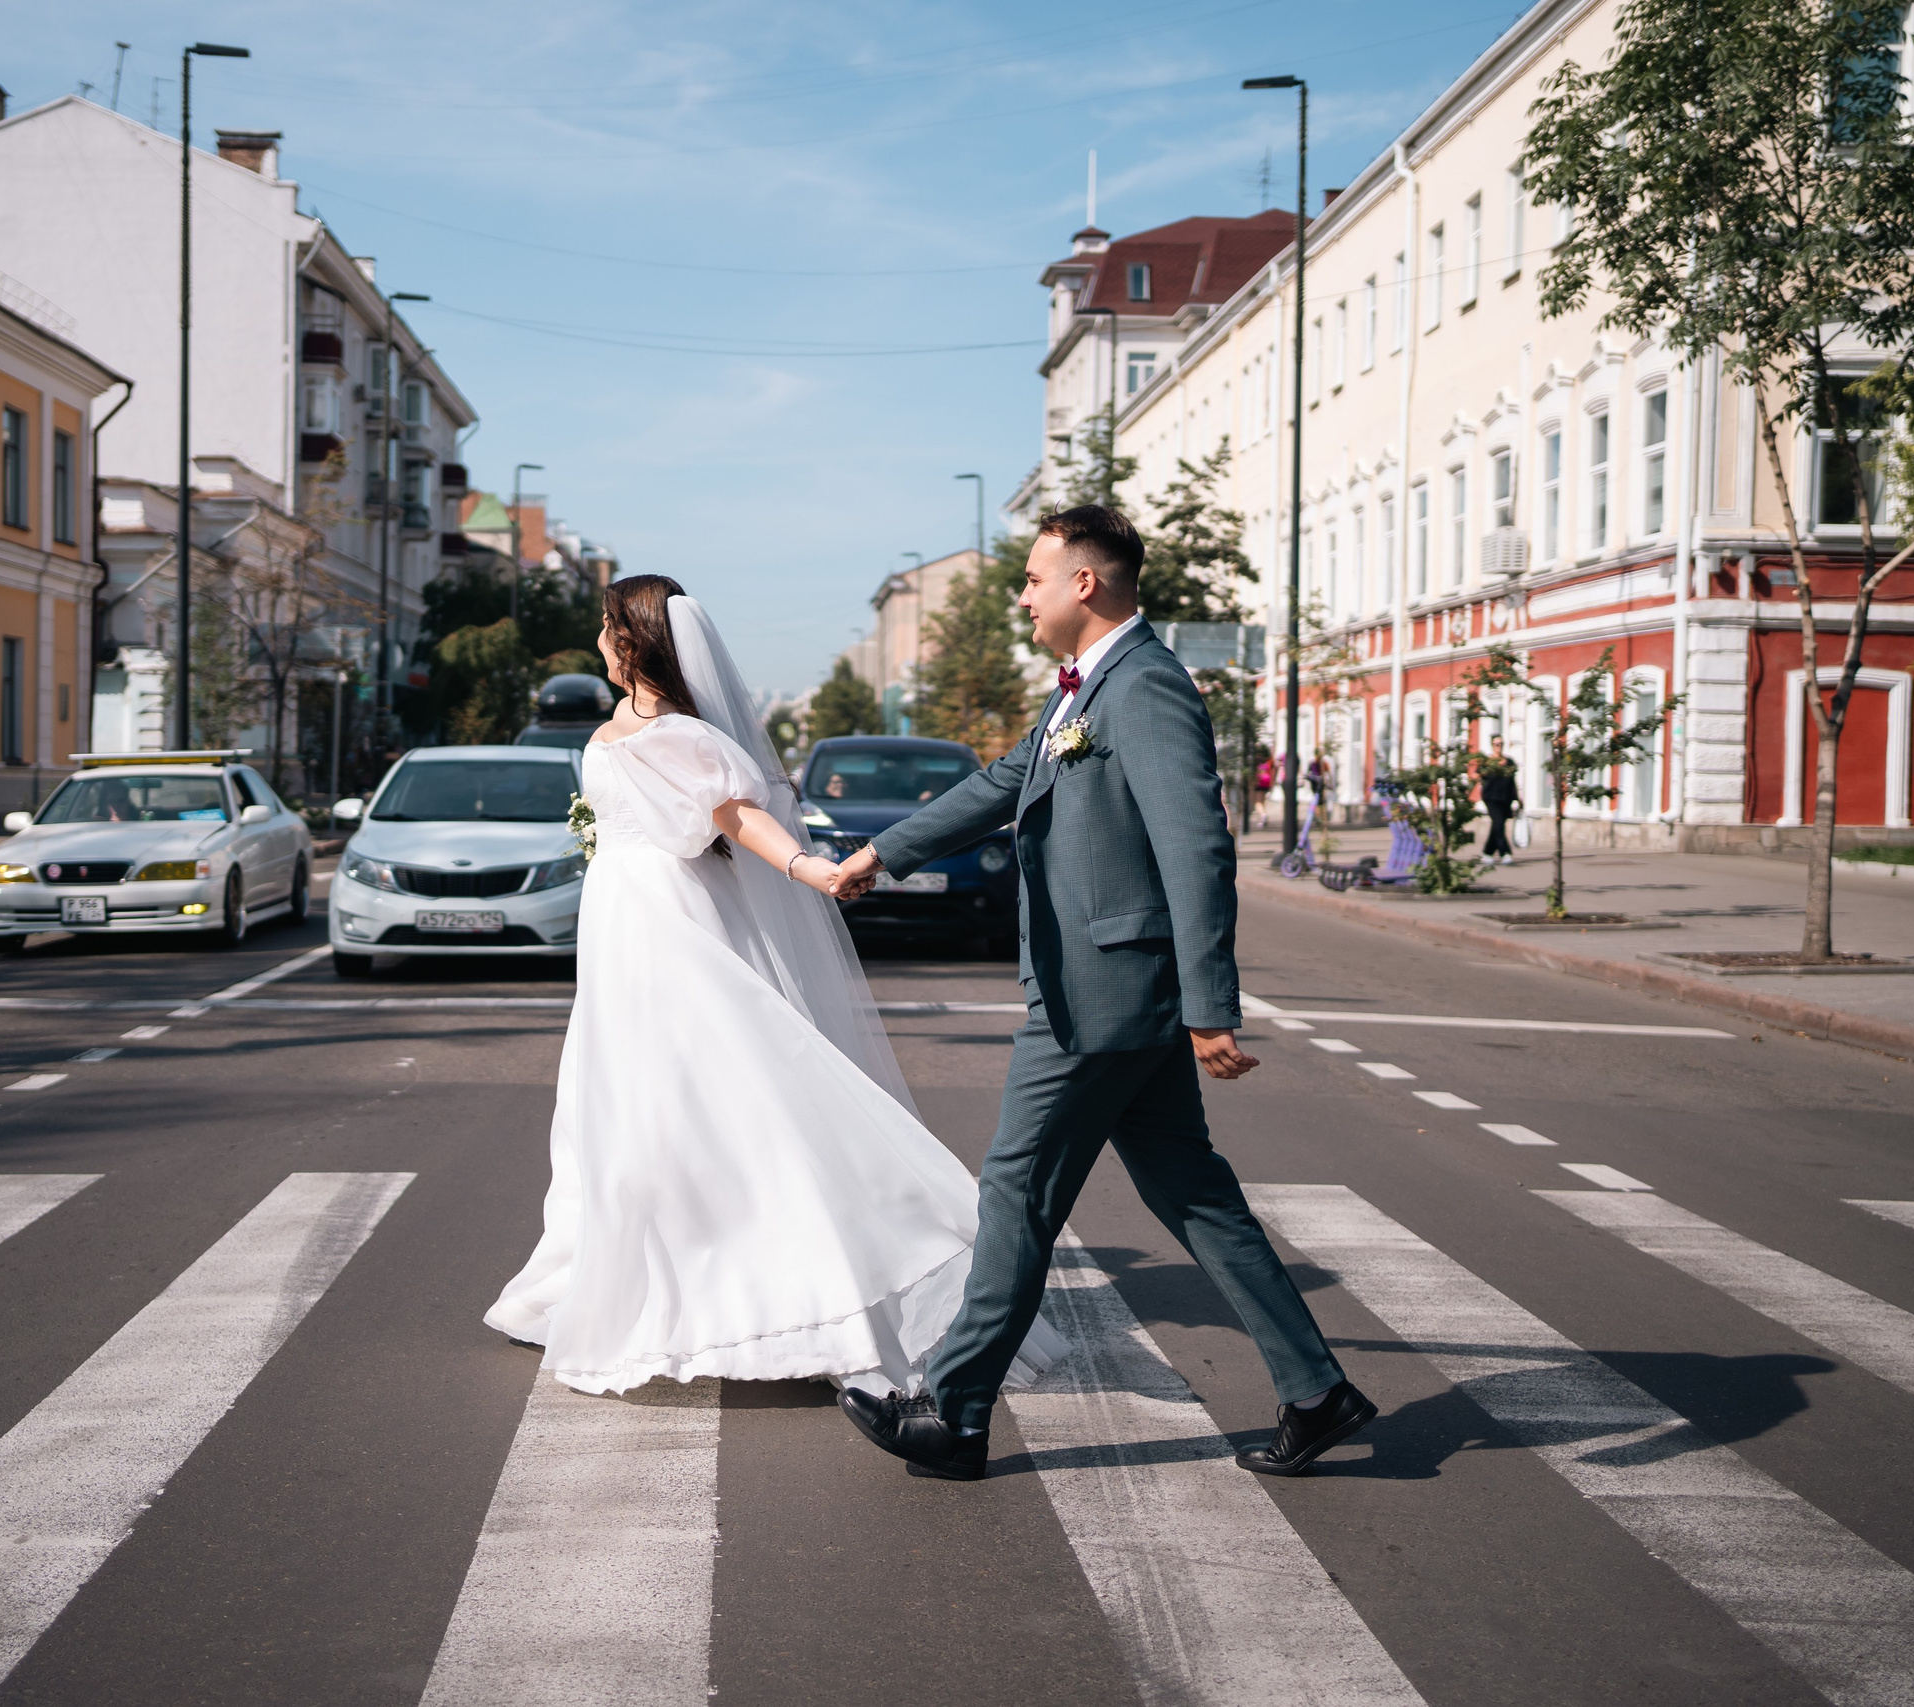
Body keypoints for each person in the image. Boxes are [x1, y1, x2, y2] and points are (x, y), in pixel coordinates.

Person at [833, 505, 1368, 1482]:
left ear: (1084, 583)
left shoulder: (1146, 686)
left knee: (1016, 1191)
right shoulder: (1086, 688)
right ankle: (1317, 1389)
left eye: (1032, 579)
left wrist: (1209, 1006)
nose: (1021, 597)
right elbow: (1002, 783)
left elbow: (1196, 849)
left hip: (1104, 996)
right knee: (1192, 1194)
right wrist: (882, 853)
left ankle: (953, 1410)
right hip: (1114, 991)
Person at [484, 575, 1065, 1402]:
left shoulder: (681, 733)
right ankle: (585, 1279)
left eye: (606, 628)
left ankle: (795, 1284)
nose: (599, 641)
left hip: (667, 930)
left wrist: (808, 867)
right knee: (611, 1105)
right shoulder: (619, 723)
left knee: (702, 1100)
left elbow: (734, 813)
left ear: (634, 639)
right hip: (619, 929)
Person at [1478, 735, 1519, 865]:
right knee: (1499, 823)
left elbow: (1513, 782)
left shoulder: (1509, 762)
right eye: (1496, 744)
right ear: (1492, 746)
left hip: (1506, 798)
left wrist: (1518, 798)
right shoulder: (1487, 762)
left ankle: (1487, 853)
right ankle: (1505, 853)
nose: (1499, 746)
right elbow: (1478, 776)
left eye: (1501, 744)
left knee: (1497, 825)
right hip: (1491, 798)